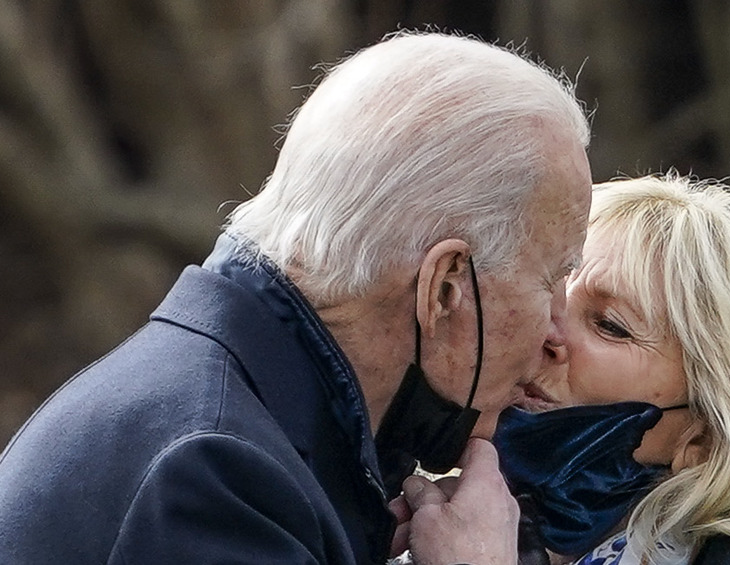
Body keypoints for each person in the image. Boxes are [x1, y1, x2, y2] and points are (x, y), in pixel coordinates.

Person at [0, 32, 593, 565]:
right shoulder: (218, 474)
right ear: (444, 289)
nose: (558, 337)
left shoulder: (241, 430)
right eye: (551, 280)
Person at [494, 174, 730, 564]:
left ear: (704, 438)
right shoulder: (435, 514)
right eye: (548, 292)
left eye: (611, 325)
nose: (544, 330)